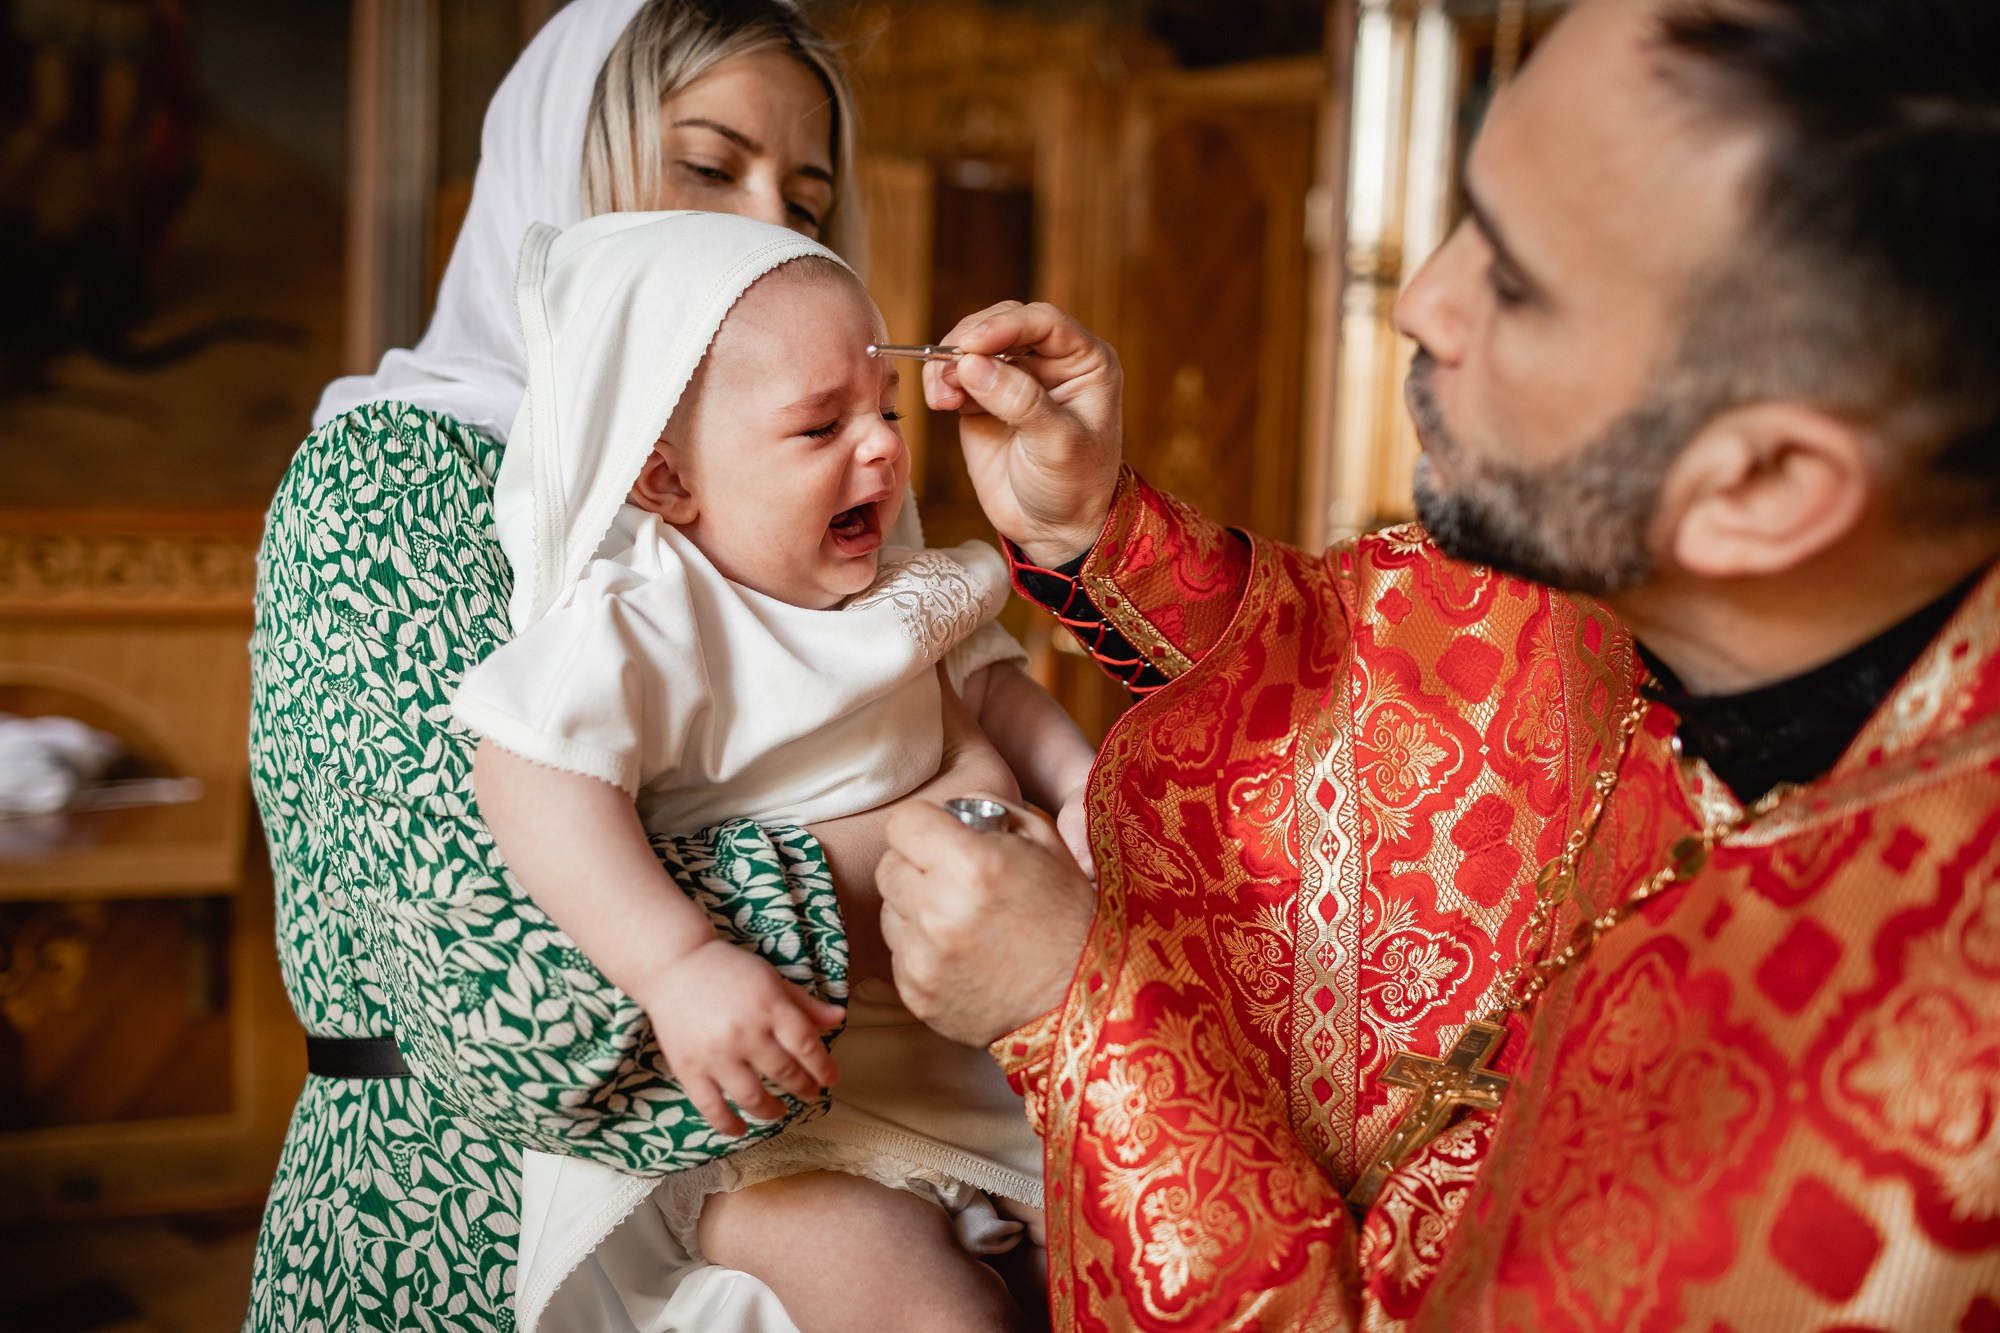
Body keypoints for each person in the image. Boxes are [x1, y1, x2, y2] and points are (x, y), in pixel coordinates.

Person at [873, 0, 2000, 1327]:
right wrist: (1100, 528)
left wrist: (1085, 1020)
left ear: (1763, 485)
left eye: (1516, 281)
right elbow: (1387, 667)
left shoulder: (1916, 1111)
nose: (1421, 298)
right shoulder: (1722, 584)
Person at [247, 2, 1037, 1327]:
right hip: (462, 1235)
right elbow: (519, 1001)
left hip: (842, 1155)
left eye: (806, 193)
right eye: (708, 166)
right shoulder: (390, 480)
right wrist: (937, 844)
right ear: (559, 168)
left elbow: (948, 703)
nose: (766, 230)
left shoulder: (797, 465)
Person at [458, 210, 1089, 1330]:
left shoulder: (901, 588)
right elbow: (529, 768)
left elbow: (996, 691)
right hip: (791, 1123)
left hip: (970, 1080)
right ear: (665, 476)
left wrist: (1083, 788)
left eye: (884, 410)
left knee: (1114, 1270)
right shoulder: (654, 616)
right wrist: (676, 963)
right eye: (820, 427)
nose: (884, 447)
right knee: (932, 1315)